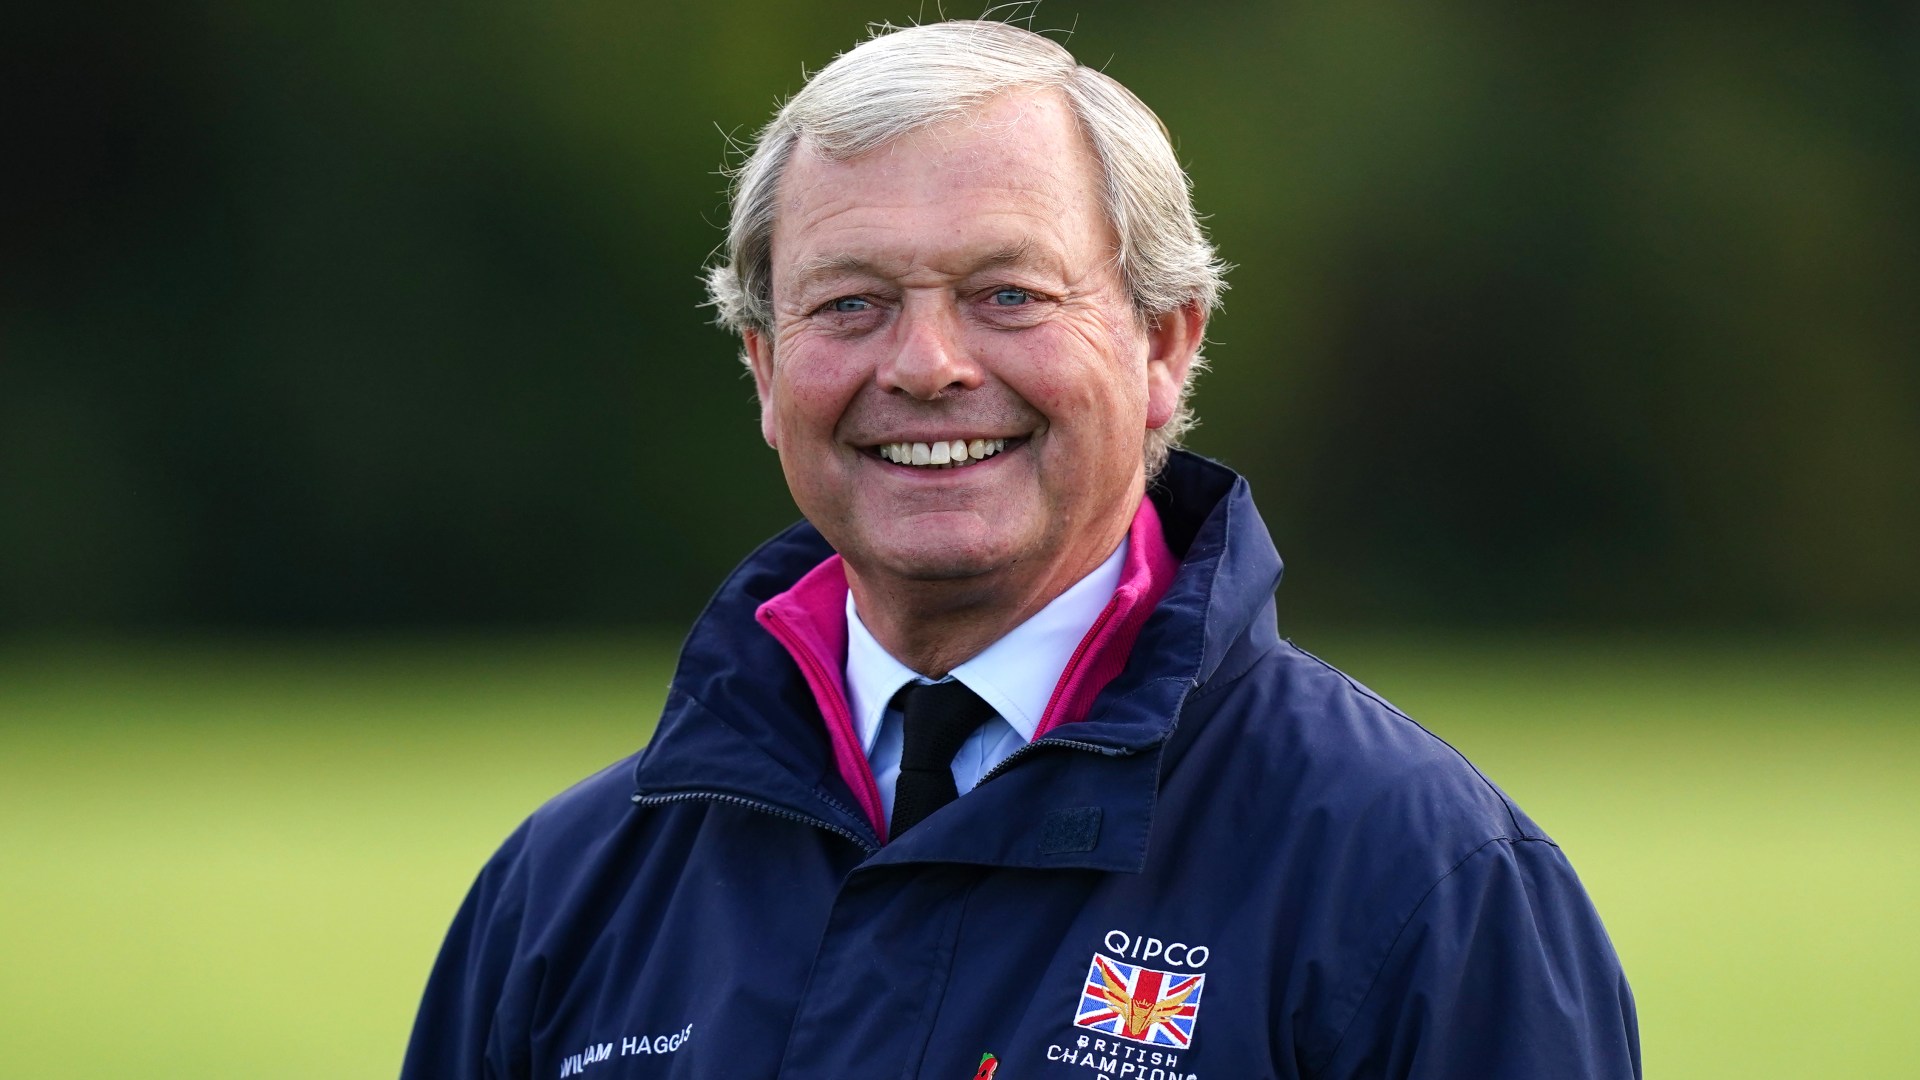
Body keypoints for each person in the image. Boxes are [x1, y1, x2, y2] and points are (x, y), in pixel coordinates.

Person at [403, 20, 1639, 1080]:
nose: (926, 365)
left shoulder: (1423, 880)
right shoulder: (562, 896)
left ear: (1165, 347)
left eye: (1009, 294)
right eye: (850, 303)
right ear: (766, 371)